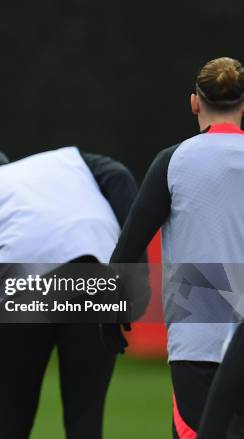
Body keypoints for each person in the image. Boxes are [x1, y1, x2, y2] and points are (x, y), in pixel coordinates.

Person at [0, 147, 139, 438]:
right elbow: (118, 176)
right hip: (93, 271)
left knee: (11, 421)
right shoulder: (64, 160)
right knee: (86, 419)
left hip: (21, 281)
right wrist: (130, 281)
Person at [109, 57, 244, 438]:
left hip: (197, 335)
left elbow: (129, 246)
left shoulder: (173, 161)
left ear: (194, 103)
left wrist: (110, 316)